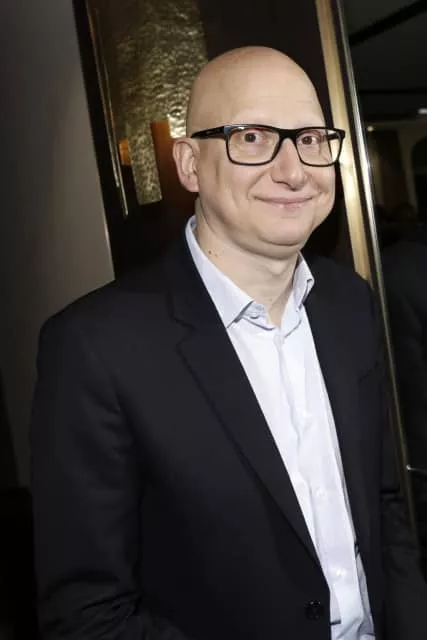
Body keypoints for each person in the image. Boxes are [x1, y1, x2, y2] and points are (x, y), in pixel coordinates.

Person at [30, 46, 427, 640]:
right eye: (252, 137)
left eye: (311, 139)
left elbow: (383, 503)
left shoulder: (349, 304)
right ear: (190, 165)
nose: (294, 170)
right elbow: (88, 614)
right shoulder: (95, 348)